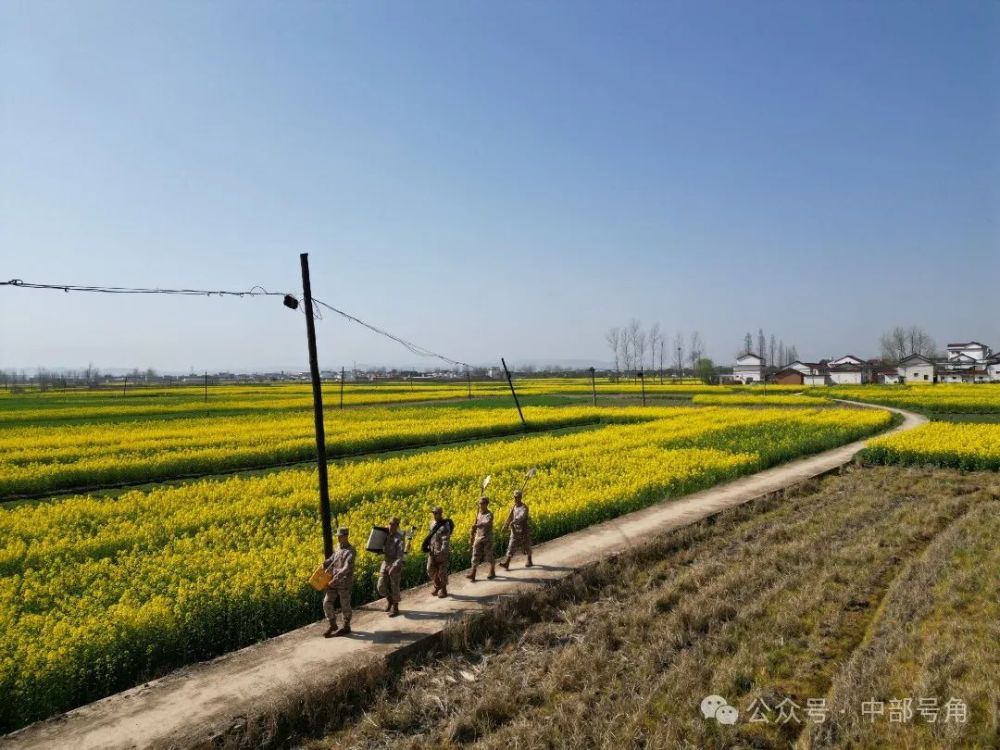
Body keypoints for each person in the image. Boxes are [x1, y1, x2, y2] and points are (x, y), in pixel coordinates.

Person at [322, 527, 356, 637]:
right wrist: (325, 563)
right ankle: (332, 624)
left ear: (346, 536)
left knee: (344, 604)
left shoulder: (351, 551)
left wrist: (335, 580)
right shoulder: (338, 547)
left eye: (340, 536)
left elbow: (346, 569)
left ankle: (346, 626)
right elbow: (333, 558)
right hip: (333, 581)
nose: (338, 538)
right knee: (327, 602)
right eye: (337, 536)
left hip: (344, 582)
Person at [376, 516, 406, 617]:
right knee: (381, 586)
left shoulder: (400, 538)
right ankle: (390, 601)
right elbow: (380, 546)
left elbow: (400, 556)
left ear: (397, 526)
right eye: (389, 523)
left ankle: (395, 607)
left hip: (395, 563)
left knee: (394, 586)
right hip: (386, 562)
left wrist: (394, 566)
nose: (390, 526)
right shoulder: (386, 534)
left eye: (393, 524)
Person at [422, 506, 454, 597]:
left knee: (442, 572)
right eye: (434, 513)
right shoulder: (432, 523)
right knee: (430, 569)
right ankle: (437, 585)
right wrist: (428, 545)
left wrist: (443, 550)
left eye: (437, 513)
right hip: (432, 550)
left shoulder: (445, 525)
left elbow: (445, 539)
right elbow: (430, 535)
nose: (435, 515)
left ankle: (443, 590)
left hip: (441, 551)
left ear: (441, 514)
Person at [499, 489, 533, 569]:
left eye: (517, 497)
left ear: (520, 498)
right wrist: (505, 525)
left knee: (526, 545)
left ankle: (529, 560)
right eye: (514, 497)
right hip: (514, 529)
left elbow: (521, 517)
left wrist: (514, 521)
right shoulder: (513, 507)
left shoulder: (525, 508)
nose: (515, 499)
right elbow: (509, 517)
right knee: (511, 545)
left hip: (523, 529)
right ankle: (507, 563)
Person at [467, 496, 496, 582]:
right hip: (478, 537)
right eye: (480, 503)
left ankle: (492, 570)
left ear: (487, 504)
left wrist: (477, 525)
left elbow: (486, 523)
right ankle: (473, 573)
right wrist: (473, 530)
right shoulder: (478, 513)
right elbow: (476, 524)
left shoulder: (489, 514)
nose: (481, 505)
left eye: (482, 503)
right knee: (475, 555)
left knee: (488, 555)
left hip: (487, 537)